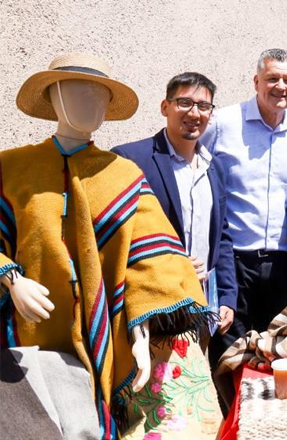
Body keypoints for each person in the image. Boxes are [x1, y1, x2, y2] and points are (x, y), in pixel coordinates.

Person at [1, 53, 212, 436]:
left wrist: (140, 332)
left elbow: (150, 262)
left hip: (105, 338)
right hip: (26, 333)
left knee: (91, 423)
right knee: (34, 422)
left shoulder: (123, 175)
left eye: (101, 96)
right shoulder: (11, 168)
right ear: (54, 96)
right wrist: (12, 279)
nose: (92, 103)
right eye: (79, 92)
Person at [111, 72, 237, 366]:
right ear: (165, 107)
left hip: (202, 307)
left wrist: (227, 297)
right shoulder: (131, 159)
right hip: (153, 310)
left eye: (203, 106)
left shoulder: (215, 167)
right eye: (184, 103)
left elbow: (222, 237)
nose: (194, 113)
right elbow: (119, 237)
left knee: (194, 385)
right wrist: (172, 264)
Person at [202, 49, 287, 349]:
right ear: (256, 81)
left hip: (283, 265)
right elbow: (195, 170)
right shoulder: (222, 123)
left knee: (280, 351)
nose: (280, 87)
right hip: (233, 261)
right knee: (229, 352)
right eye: (272, 78)